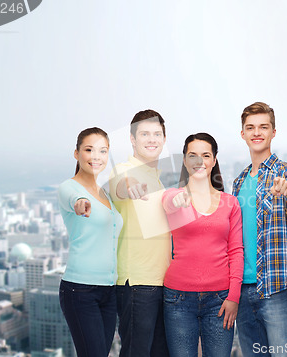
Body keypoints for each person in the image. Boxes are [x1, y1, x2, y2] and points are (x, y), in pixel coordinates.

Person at [232, 102, 287, 357]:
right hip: (242, 290)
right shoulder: (239, 181)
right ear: (242, 133)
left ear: (273, 132)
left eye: (263, 127)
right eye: (250, 127)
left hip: (278, 289)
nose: (257, 132)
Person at [161, 133, 243, 357]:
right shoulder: (174, 196)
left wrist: (233, 297)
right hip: (178, 298)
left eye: (205, 155)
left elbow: (236, 251)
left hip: (220, 300)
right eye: (192, 155)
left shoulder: (230, 203)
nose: (199, 161)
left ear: (214, 160)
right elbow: (168, 202)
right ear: (185, 161)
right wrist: (177, 201)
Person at [108, 110, 171, 357]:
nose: (151, 139)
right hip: (137, 284)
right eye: (144, 134)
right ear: (133, 139)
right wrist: (129, 187)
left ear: (164, 140)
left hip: (163, 283)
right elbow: (121, 186)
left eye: (157, 134)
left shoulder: (159, 178)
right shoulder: (123, 170)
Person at [58, 127, 123, 357]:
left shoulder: (105, 193)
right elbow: (75, 199)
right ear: (76, 154)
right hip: (80, 290)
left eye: (102, 151)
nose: (96, 156)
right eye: (89, 150)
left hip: (109, 291)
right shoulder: (69, 187)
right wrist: (80, 202)